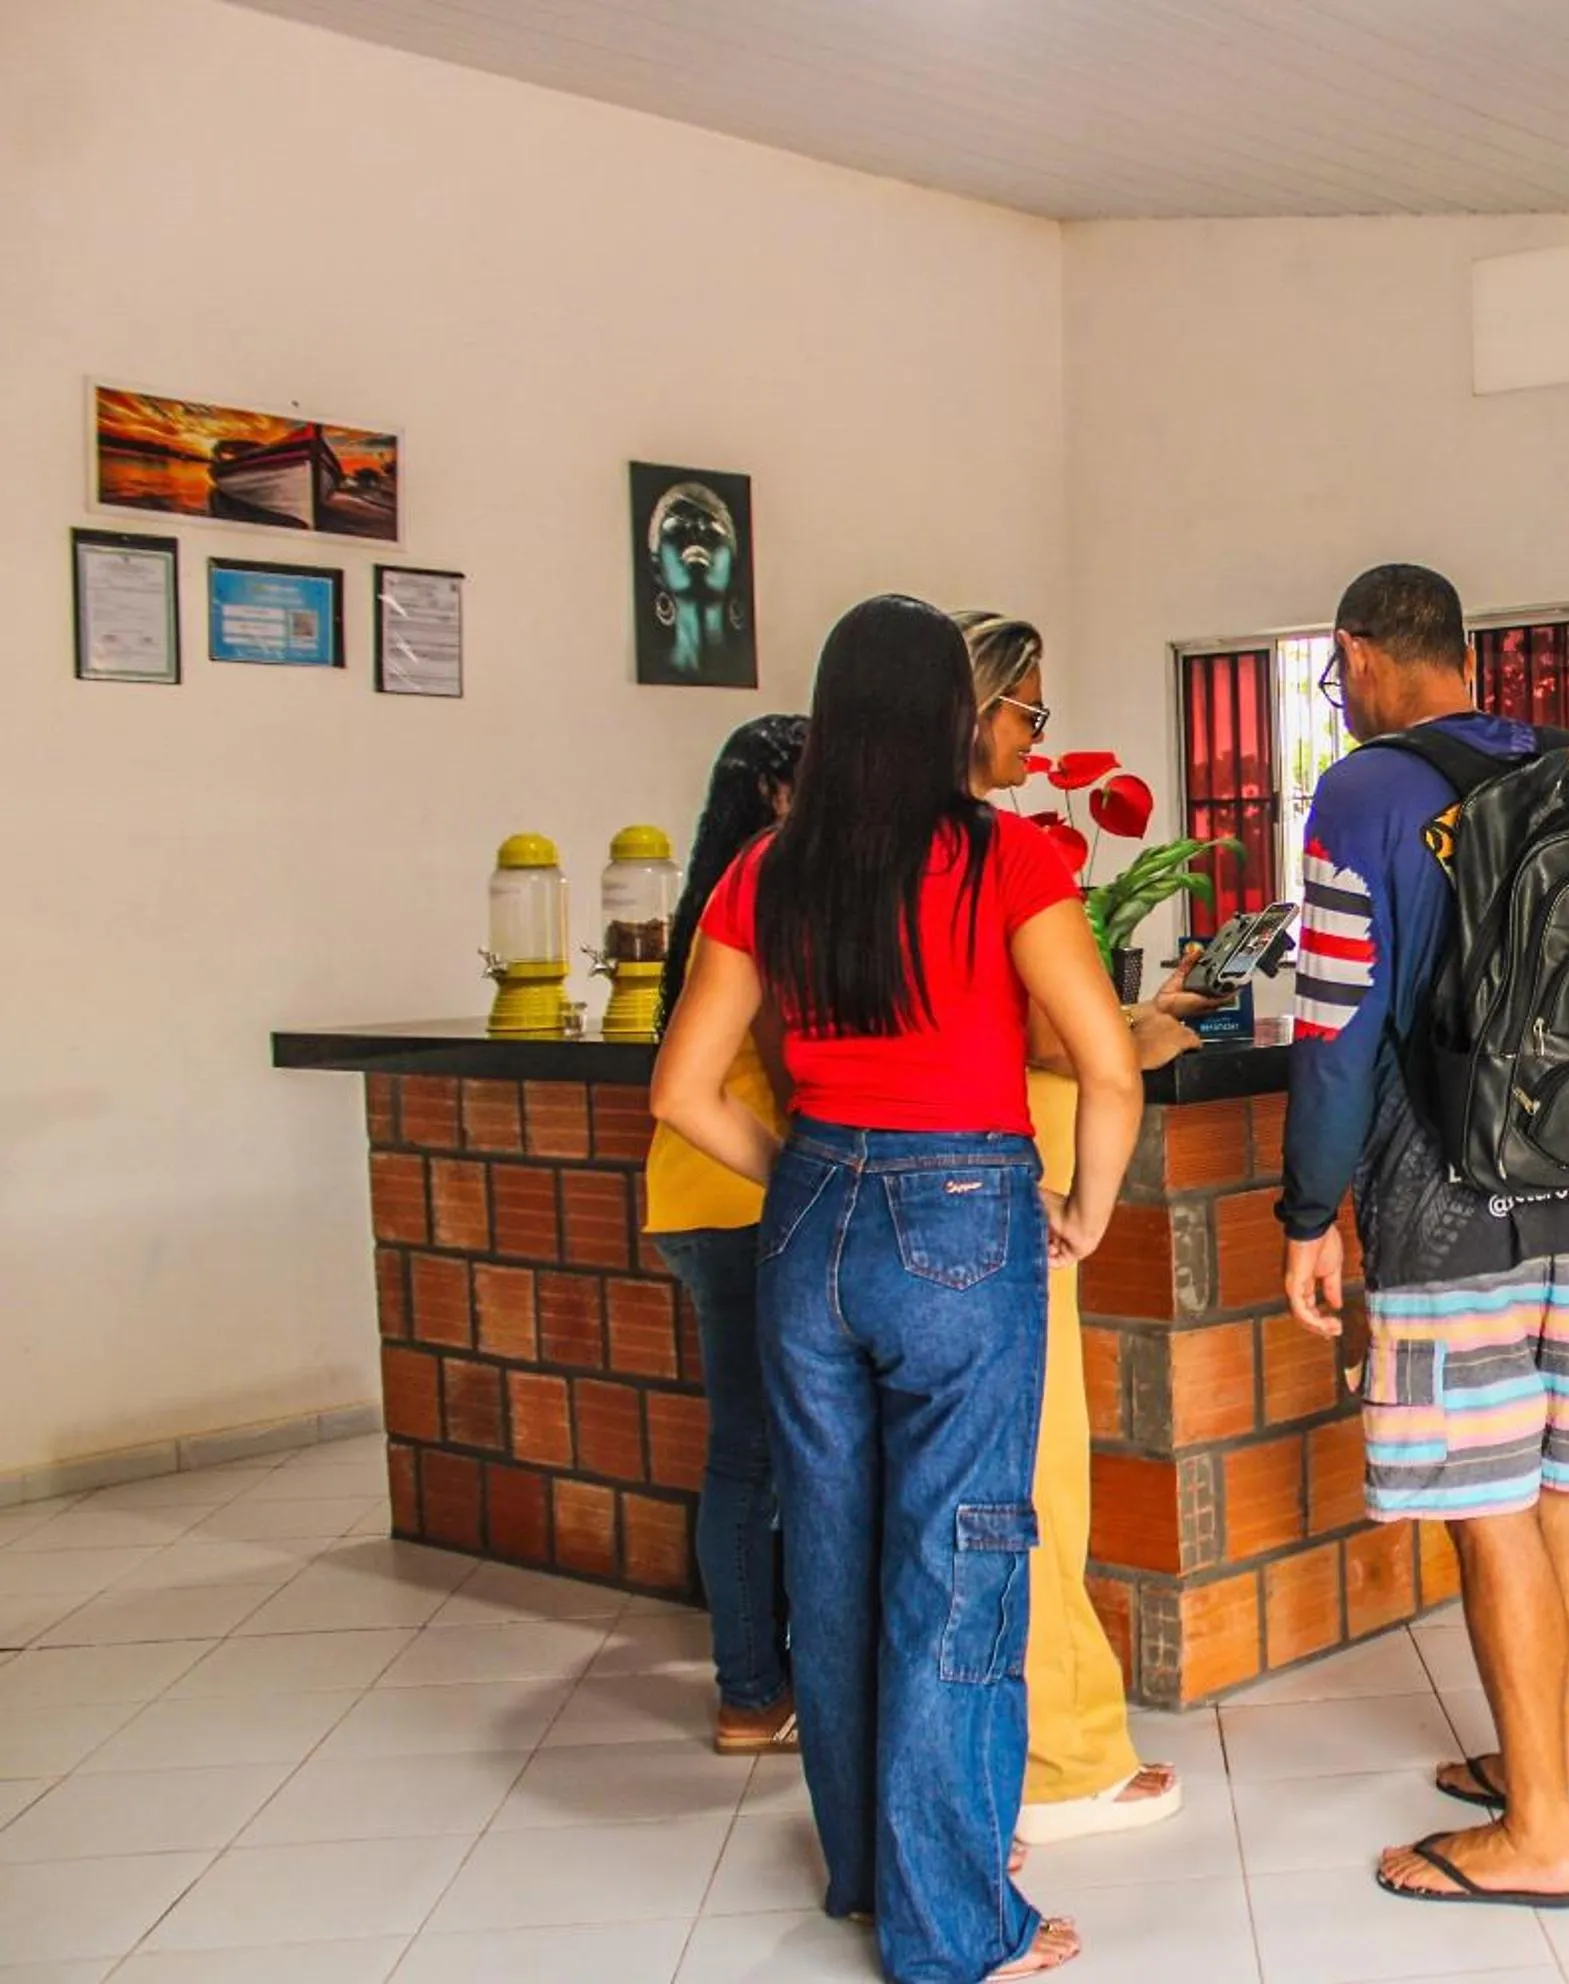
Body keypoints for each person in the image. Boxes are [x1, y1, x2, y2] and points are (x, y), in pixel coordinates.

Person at [654, 594, 1139, 1981]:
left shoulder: (767, 868)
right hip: (964, 1219)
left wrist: (809, 1171)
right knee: (962, 1560)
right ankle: (956, 1928)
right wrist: (1084, 1210)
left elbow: (683, 1092)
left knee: (836, 1553)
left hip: (810, 1219)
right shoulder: (1006, 857)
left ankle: (873, 1875)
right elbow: (1105, 1065)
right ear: (946, 714)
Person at [1278, 564, 1569, 1911]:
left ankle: (1539, 1835)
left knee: (1488, 1504)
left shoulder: (1363, 791)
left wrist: (1311, 1210)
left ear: (1360, 652)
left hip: (1447, 1197)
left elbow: (1332, 1029)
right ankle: (1553, 1770)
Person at [955, 610, 1197, 1844]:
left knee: (914, 1501)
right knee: (1032, 1482)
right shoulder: (1001, 857)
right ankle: (1059, 1758)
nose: (1038, 735)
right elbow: (1079, 1052)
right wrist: (1090, 1209)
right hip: (1007, 1200)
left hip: (850, 1205)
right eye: (1028, 713)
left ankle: (935, 1782)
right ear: (975, 711)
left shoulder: (809, 855)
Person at [644, 714, 808, 1758]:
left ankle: (762, 1675)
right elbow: (792, 1062)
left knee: (751, 1452)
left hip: (698, 1200)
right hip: (748, 1193)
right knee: (753, 1456)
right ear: (779, 795)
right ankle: (752, 1689)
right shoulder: (764, 891)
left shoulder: (709, 895)